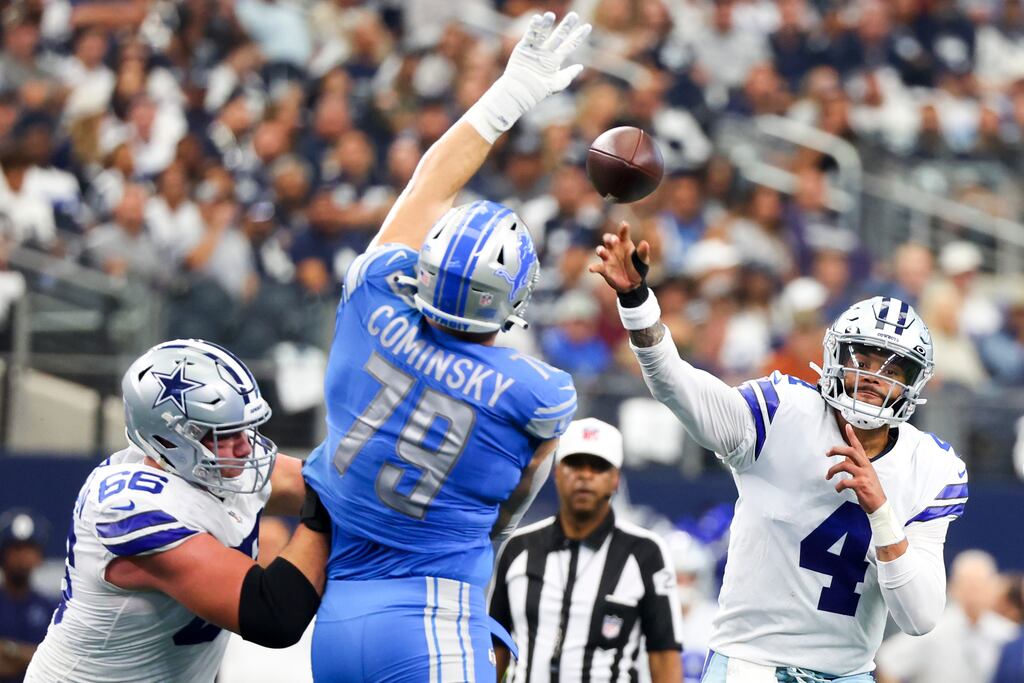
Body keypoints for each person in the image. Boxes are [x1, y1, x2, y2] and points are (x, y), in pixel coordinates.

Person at [301, 10, 590, 682]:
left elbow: (427, 186)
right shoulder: (536, 392)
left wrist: (507, 96)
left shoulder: (373, 296)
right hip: (433, 620)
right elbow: (513, 506)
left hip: (336, 619)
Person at [590, 224, 968, 681]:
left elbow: (920, 618)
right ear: (835, 358)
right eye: (862, 360)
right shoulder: (779, 412)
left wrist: (882, 512)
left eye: (892, 369)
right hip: (752, 664)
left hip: (847, 673)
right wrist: (637, 302)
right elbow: (677, 385)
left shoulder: (932, 466)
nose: (872, 377)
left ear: (914, 384)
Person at [25, 339, 330, 683]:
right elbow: (274, 615)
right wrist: (322, 519)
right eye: (223, 434)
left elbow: (323, 485)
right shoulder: (129, 507)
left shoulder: (214, 458)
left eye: (244, 428)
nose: (245, 447)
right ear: (170, 439)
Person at [488, 418, 683, 682]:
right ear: (557, 472)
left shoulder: (644, 553)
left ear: (615, 479)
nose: (585, 475)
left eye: (598, 467)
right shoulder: (519, 548)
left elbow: (664, 653)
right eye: (575, 464)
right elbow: (495, 644)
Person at [874, 550, 1017, 683]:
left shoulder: (1007, 634)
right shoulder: (932, 629)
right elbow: (887, 661)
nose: (975, 593)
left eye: (981, 584)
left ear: (993, 587)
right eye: (969, 585)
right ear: (953, 587)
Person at [0, 510, 55, 683]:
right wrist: (31, 655)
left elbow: (54, 662)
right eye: (16, 549)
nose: (22, 557)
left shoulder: (49, 609)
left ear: (39, 556)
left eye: (29, 549)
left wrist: (10, 650)